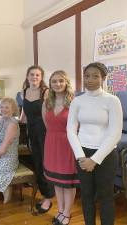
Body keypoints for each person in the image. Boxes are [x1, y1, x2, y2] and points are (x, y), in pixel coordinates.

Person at [67, 62, 123, 225]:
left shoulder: (112, 100)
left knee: (106, 196)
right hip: (82, 154)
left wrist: (95, 159)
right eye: (86, 76)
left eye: (95, 76)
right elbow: (71, 129)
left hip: (105, 155)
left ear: (103, 78)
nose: (90, 80)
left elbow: (115, 133)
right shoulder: (77, 101)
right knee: (86, 195)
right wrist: (81, 156)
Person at [42, 71, 79, 225]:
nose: (57, 84)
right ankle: (60, 210)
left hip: (68, 144)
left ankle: (67, 213)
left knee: (68, 182)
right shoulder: (46, 103)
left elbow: (78, 126)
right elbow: (47, 125)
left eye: (61, 81)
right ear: (50, 84)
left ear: (66, 83)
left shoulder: (74, 102)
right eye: (54, 81)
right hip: (51, 142)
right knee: (57, 181)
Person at [19, 65, 54, 213]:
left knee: (44, 164)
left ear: (41, 77)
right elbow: (24, 115)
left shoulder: (45, 92)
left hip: (43, 131)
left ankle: (48, 197)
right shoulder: (24, 92)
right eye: (32, 74)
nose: (34, 77)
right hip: (31, 131)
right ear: (27, 76)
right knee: (37, 164)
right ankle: (44, 192)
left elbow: (49, 115)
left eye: (37, 75)